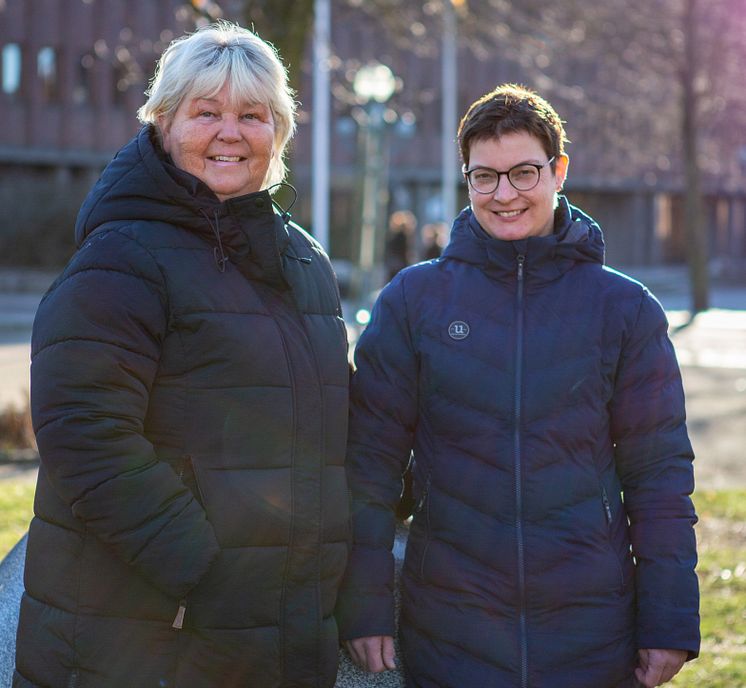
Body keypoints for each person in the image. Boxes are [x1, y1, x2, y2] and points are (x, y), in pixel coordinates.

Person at [14, 22, 350, 688]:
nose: (231, 132)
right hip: (140, 630)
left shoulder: (302, 258)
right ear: (164, 122)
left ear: (277, 133)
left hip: (270, 633)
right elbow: (84, 434)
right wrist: (203, 569)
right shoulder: (121, 257)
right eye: (207, 113)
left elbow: (326, 420)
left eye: (252, 115)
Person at [336, 83, 699, 688]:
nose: (503, 195)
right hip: (448, 630)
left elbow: (659, 475)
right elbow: (367, 467)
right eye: (485, 177)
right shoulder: (412, 300)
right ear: (466, 179)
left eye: (524, 173)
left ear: (559, 171)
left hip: (592, 632)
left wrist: (668, 619)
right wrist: (365, 603)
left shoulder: (626, 309)